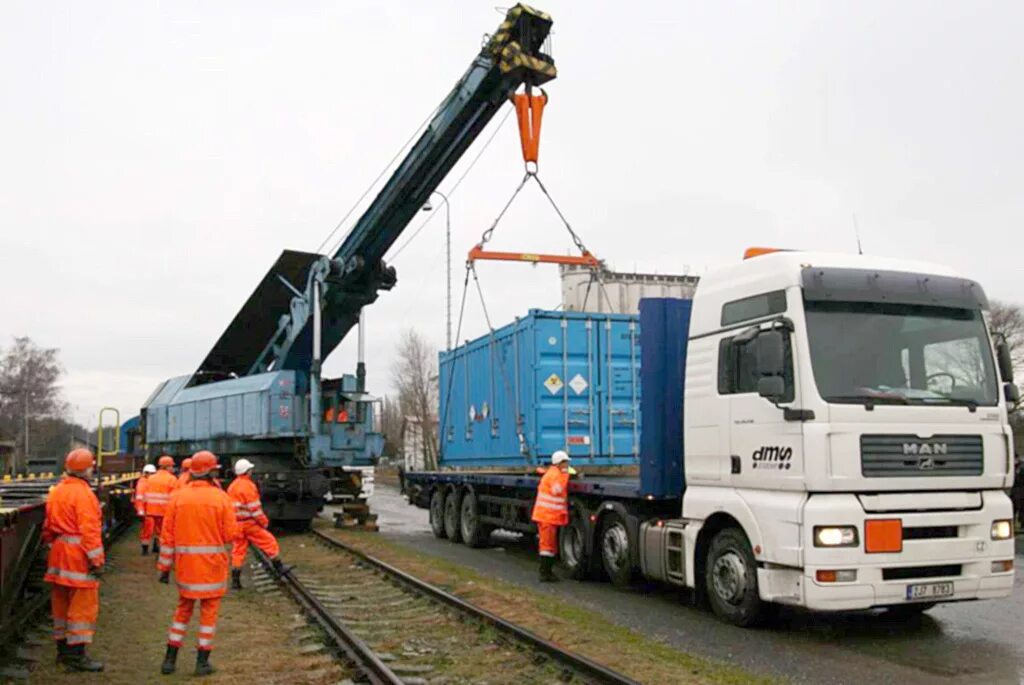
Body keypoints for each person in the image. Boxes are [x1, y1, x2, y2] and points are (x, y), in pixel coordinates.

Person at [157, 450, 237, 677]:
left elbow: (167, 537)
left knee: (183, 610)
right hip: (212, 567)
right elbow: (230, 534)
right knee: (209, 614)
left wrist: (164, 569)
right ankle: (202, 662)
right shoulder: (221, 498)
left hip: (186, 568)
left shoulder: (178, 497)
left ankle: (169, 660)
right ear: (212, 472)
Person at [42, 448, 105, 672]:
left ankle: (62, 652)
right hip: (78, 555)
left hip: (59, 551)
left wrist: (54, 545)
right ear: (87, 468)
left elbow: (48, 526)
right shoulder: (85, 495)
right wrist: (96, 560)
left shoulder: (56, 491)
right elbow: (90, 531)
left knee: (60, 603)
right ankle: (77, 656)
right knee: (82, 605)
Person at [227, 458, 289, 589]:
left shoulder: (232, 486)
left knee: (238, 551)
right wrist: (264, 522)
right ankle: (280, 568)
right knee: (269, 542)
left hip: (236, 524)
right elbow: (254, 508)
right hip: (249, 524)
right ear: (247, 471)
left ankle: (235, 581)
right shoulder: (248, 486)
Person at [530, 450, 571, 582]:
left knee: (549, 545)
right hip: (547, 516)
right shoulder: (556, 475)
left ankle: (546, 572)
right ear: (559, 463)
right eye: (565, 462)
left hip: (548, 516)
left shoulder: (553, 472)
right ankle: (545, 573)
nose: (567, 465)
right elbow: (556, 490)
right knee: (547, 546)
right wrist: (566, 476)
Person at [145, 456, 178, 554]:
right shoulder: (172, 479)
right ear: (167, 467)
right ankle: (161, 548)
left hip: (151, 509)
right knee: (164, 531)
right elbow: (174, 497)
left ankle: (155, 544)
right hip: (165, 510)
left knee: (155, 529)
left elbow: (146, 493)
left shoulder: (151, 478)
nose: (172, 468)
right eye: (171, 466)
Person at [135, 464, 157, 555]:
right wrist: (141, 511)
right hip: (147, 511)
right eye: (152, 474)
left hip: (151, 510)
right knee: (147, 530)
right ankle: (145, 549)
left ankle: (152, 547)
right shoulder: (143, 483)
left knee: (152, 529)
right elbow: (139, 498)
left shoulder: (147, 482)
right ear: (146, 473)